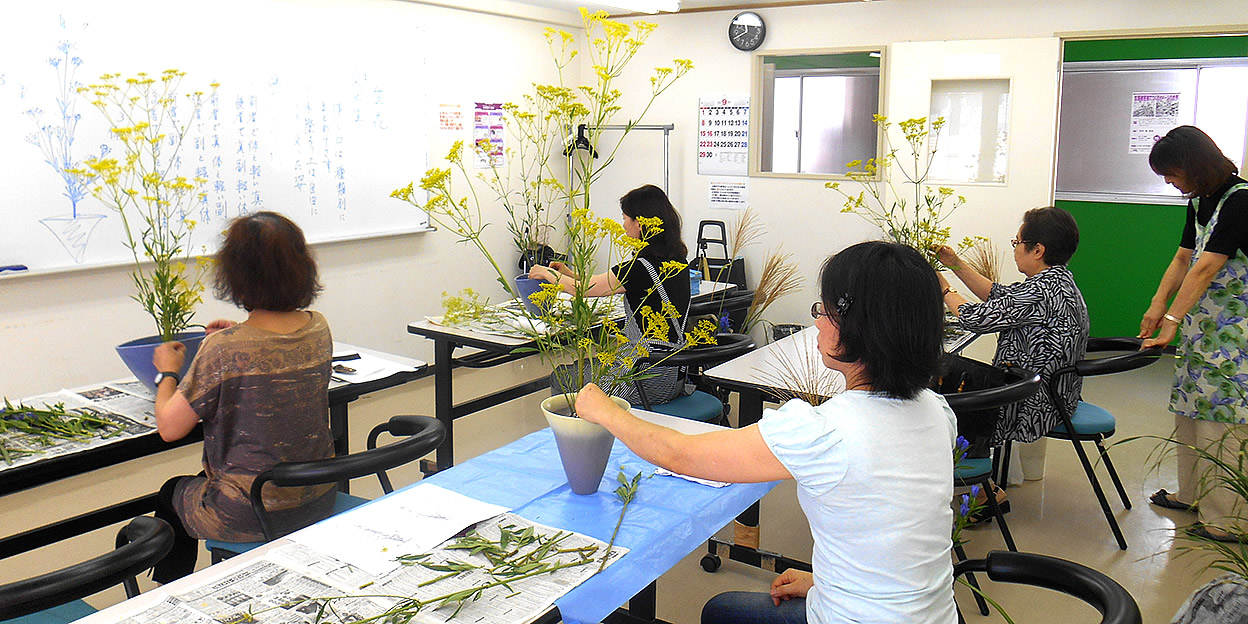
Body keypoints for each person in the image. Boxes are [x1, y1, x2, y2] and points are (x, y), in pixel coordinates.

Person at [576, 241, 957, 624]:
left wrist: (606, 409)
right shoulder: (937, 411)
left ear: (857, 328)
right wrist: (825, 581)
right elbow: (893, 530)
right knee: (724, 611)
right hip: (930, 615)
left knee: (719, 613)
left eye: (822, 311)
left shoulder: (825, 431)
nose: (817, 323)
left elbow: (680, 455)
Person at [150, 211, 335, 581]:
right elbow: (269, 353)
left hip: (251, 511)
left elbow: (170, 427)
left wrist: (167, 371)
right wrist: (239, 335)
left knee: (171, 493)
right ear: (302, 268)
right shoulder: (318, 325)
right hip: (319, 496)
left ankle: (169, 597)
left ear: (236, 276)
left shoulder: (223, 349)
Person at [935, 206, 1089, 504]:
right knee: (956, 375)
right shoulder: (1057, 281)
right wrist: (955, 264)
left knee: (949, 397)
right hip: (1057, 394)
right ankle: (979, 487)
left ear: (1037, 249)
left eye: (1017, 242)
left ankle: (982, 493)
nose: (1015, 249)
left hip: (1033, 401)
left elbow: (975, 317)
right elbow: (1000, 296)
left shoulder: (1041, 291)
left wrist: (943, 289)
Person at [1139, 125, 1248, 542]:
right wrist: (1156, 305)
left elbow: (1208, 266)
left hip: (1235, 334)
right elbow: (1184, 257)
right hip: (1203, 328)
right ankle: (1192, 493)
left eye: (1172, 172)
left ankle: (1229, 520)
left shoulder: (1241, 201)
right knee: (1191, 412)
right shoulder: (1200, 200)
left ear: (1195, 166)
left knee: (1223, 420)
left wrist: (1171, 322)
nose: (1169, 181)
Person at [530, 184, 692, 405]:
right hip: (673, 374)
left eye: (626, 218)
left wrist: (547, 274)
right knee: (587, 366)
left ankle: (576, 435)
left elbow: (583, 290)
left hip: (644, 378)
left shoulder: (640, 268)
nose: (623, 225)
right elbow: (597, 283)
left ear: (640, 223)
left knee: (563, 376)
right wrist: (570, 273)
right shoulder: (676, 261)